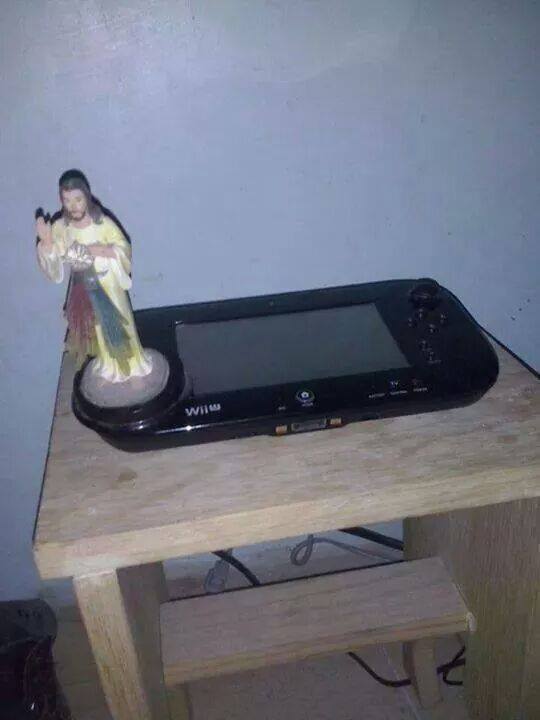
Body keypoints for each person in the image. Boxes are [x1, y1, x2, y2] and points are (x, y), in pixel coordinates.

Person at [36, 170, 152, 382]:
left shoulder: (103, 224)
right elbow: (56, 256)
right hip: (83, 285)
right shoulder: (61, 227)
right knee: (96, 327)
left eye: (78, 199)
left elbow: (123, 248)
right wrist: (47, 243)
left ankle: (132, 364)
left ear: (86, 197)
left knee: (120, 323)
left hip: (108, 285)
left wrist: (102, 251)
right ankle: (109, 365)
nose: (73, 206)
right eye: (67, 200)